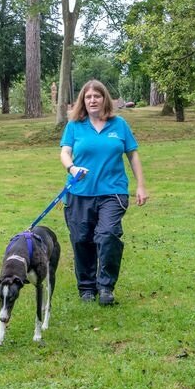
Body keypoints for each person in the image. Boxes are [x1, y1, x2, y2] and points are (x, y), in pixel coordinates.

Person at [60, 79, 148, 306]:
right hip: (80, 192)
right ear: (83, 101)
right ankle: (87, 287)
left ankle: (106, 286)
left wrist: (140, 185)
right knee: (81, 239)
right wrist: (72, 167)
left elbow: (133, 155)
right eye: (88, 97)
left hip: (113, 192)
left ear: (104, 99)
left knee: (107, 234)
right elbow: (65, 152)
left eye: (96, 96)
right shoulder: (74, 126)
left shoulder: (119, 125)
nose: (92, 100)